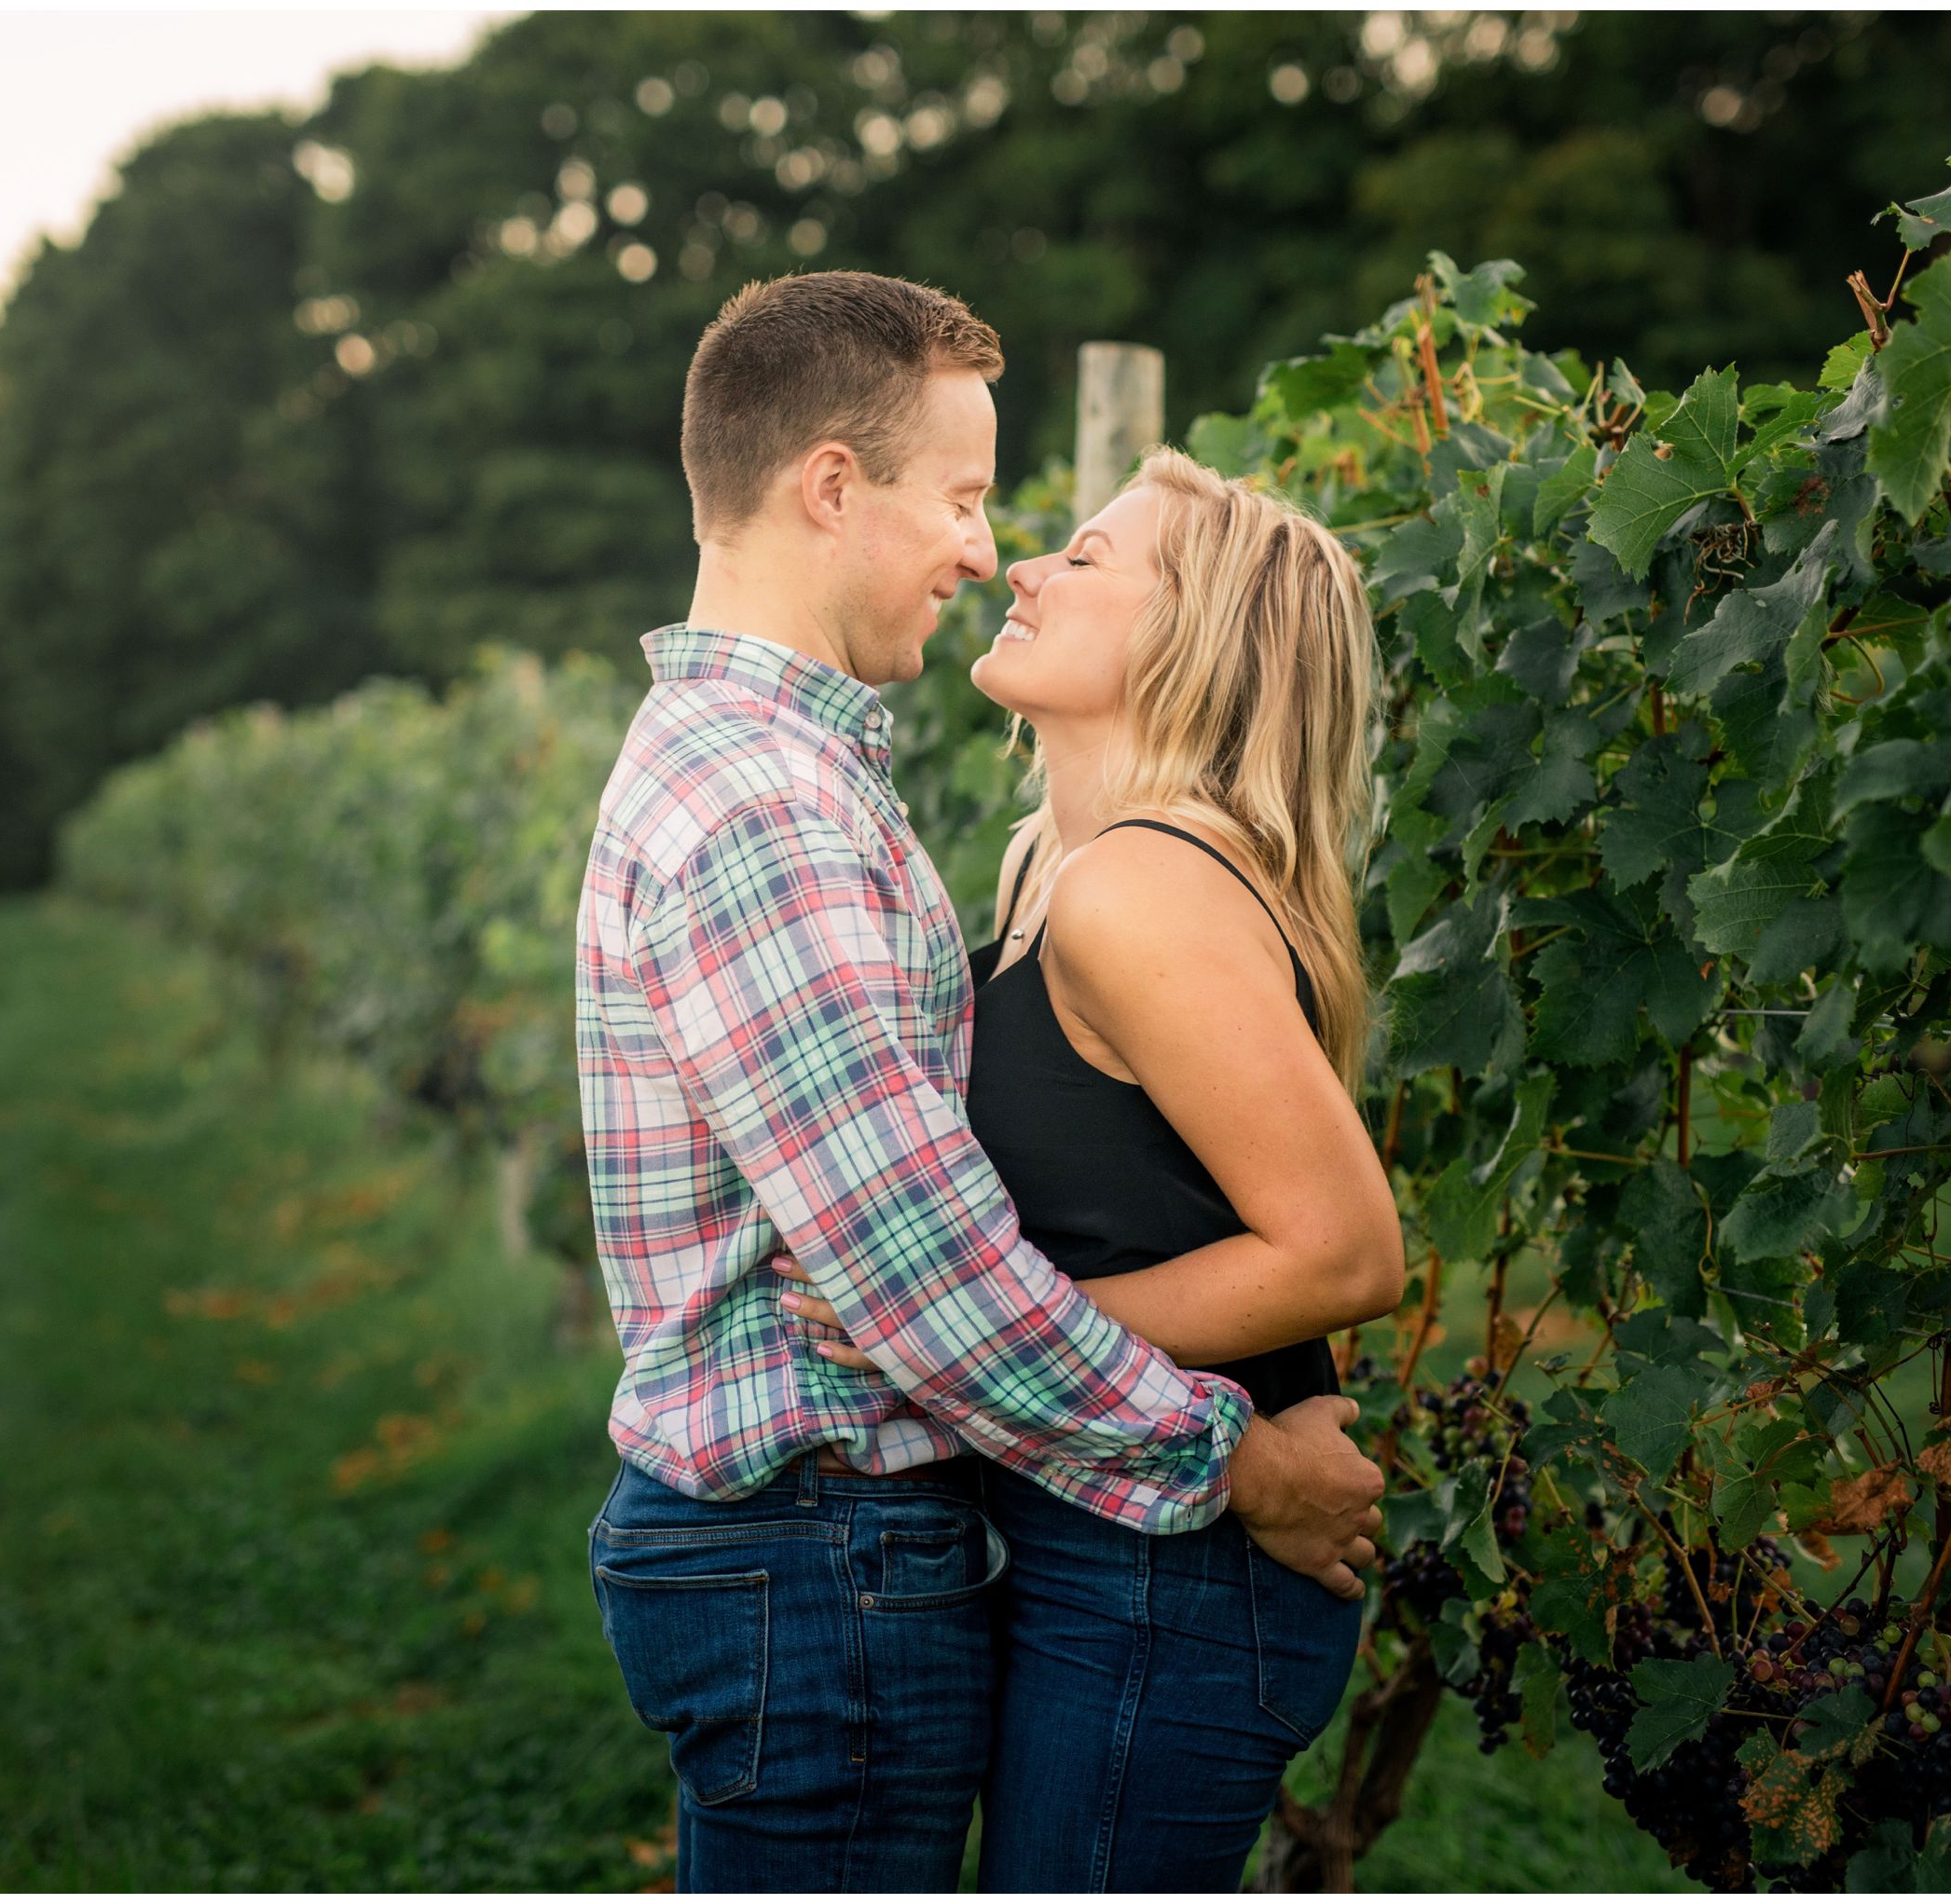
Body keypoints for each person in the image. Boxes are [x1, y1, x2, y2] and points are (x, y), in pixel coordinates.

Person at [573, 270, 1389, 1893]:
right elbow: (922, 1280)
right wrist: (1230, 1454)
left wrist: (942, 1319)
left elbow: (936, 1284)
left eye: (1070, 547)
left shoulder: (880, 812)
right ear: (829, 488)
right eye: (962, 498)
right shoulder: (778, 809)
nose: (988, 547)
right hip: (834, 1544)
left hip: (1040, 1567)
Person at [777, 446, 1405, 1888]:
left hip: (1179, 1583)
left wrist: (951, 1330)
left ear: (1196, 639)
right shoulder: (1046, 866)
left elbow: (1344, 1256)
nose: (1024, 569)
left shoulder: (1144, 887)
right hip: (1108, 1531)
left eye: (1088, 558)